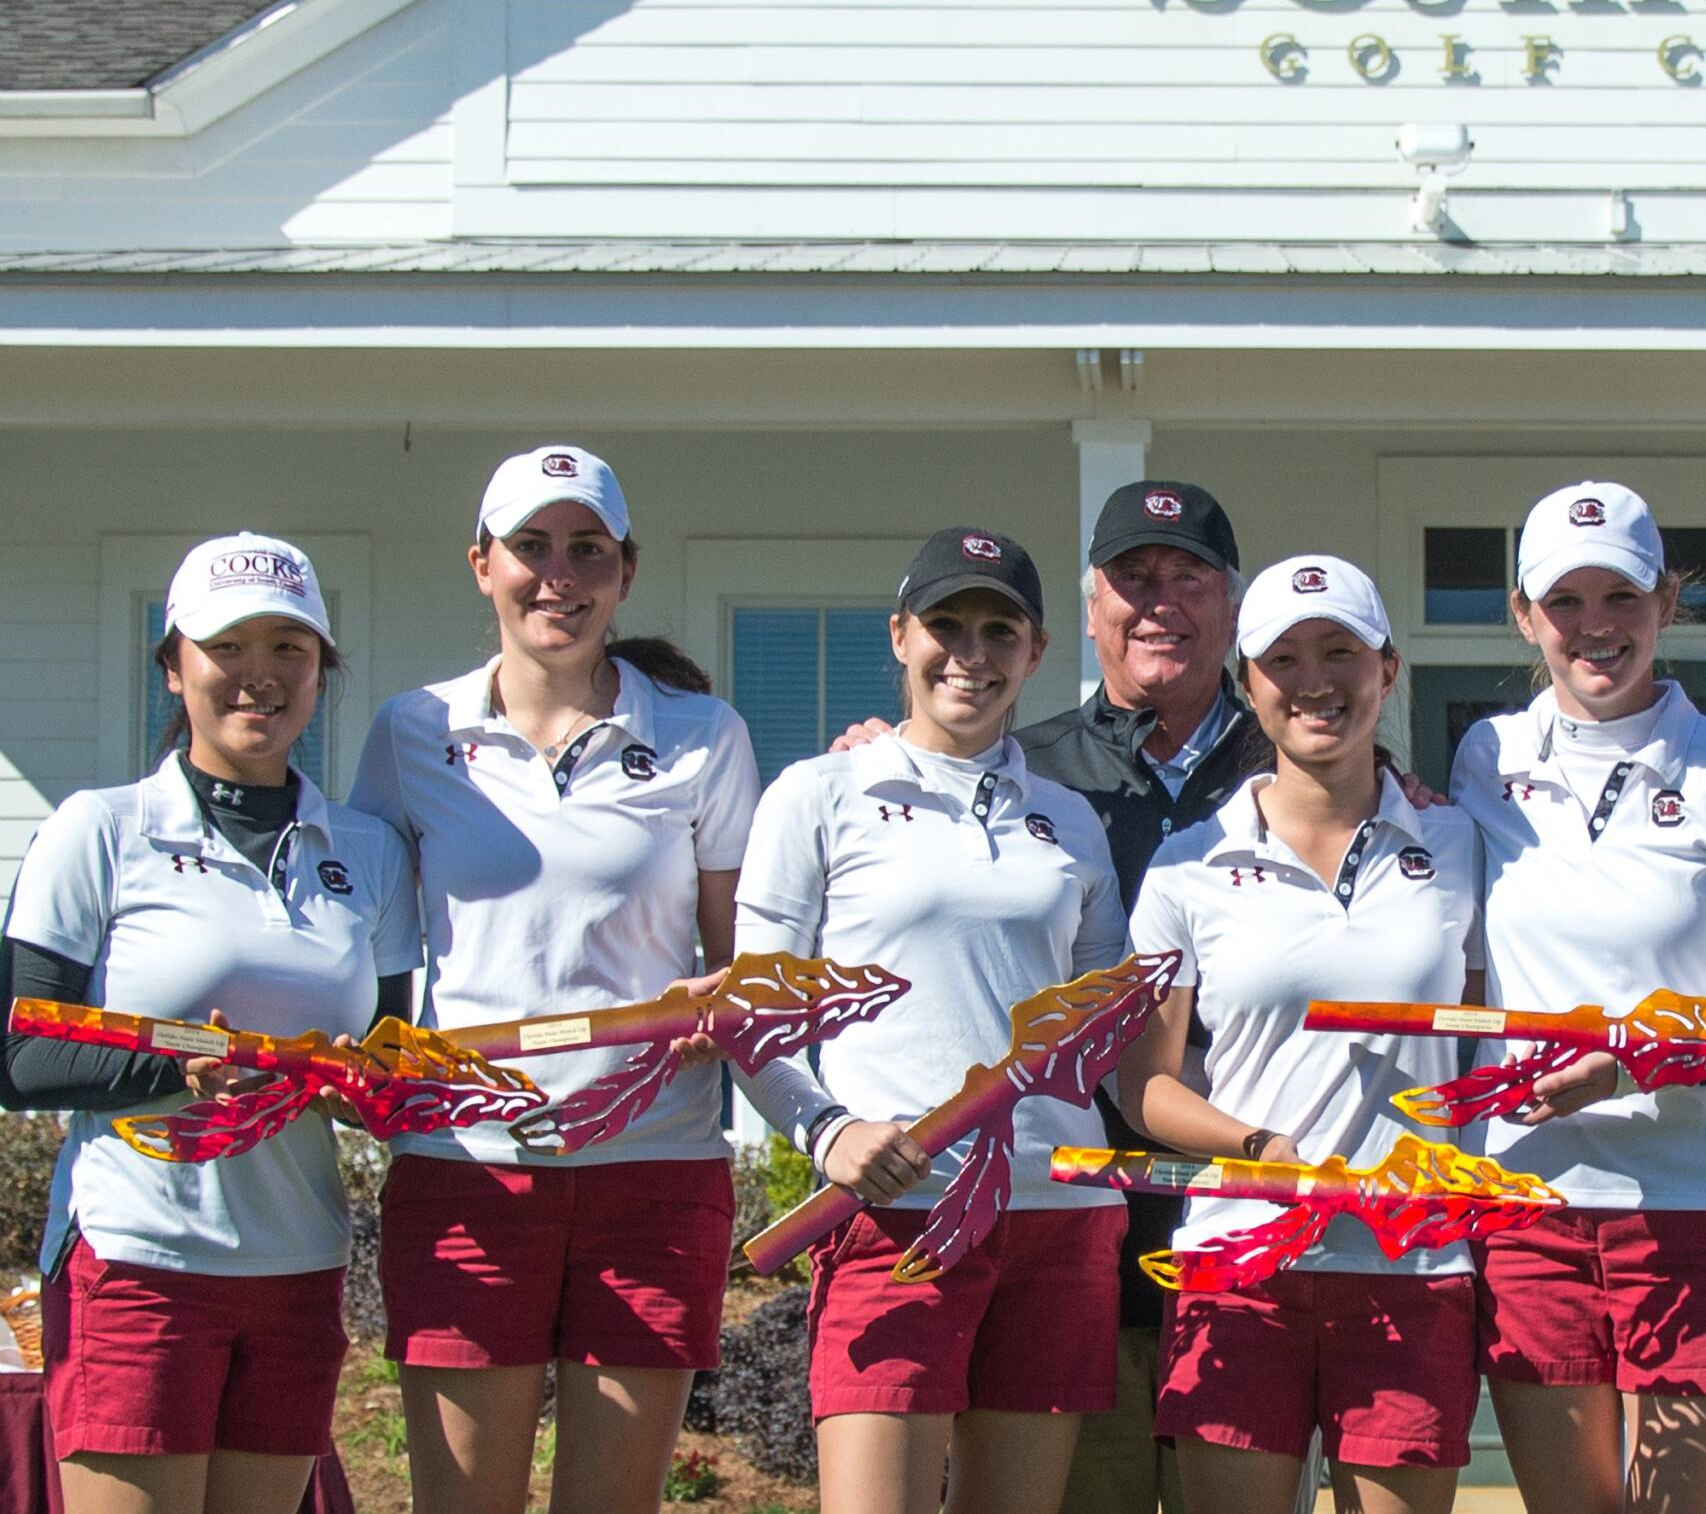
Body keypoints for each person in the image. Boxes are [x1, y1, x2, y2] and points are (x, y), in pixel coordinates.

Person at [351, 446, 761, 1514]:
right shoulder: (412, 732)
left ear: (624, 573)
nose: (557, 576)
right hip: (465, 1168)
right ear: (480, 564)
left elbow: (737, 964)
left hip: (653, 1167)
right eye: (530, 547)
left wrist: (725, 1010)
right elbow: (372, 952)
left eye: (587, 550)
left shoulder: (702, 737)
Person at [2, 534, 418, 1514]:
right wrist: (183, 1065)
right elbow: (17, 1055)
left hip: (300, 1263)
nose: (258, 677)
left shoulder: (369, 851)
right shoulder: (98, 831)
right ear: (173, 666)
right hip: (139, 1254)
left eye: (289, 648)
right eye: (227, 647)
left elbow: (389, 1065)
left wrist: (388, 1091)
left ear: (321, 672)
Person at [734, 527, 1129, 1514]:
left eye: (1001, 629)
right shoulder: (821, 793)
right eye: (945, 624)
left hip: (1055, 1211)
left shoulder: (1071, 822)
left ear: (1035, 653)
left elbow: (1109, 1032)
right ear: (901, 636)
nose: (972, 651)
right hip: (900, 1210)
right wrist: (826, 1131)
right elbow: (753, 1009)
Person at [1449, 481, 1706, 1514]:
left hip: (1695, 1204)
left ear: (1665, 602)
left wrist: (1627, 1060)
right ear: (1524, 616)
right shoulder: (1487, 757)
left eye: (1622, 594)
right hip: (1529, 1206)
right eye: (1566, 600)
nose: (1595, 626)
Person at [1117, 555, 1485, 1514]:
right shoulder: (1187, 865)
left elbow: (1488, 1046)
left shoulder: (1459, 844)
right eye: (1283, 658)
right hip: (1241, 1257)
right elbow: (1144, 1086)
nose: (1314, 679)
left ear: (1388, 670)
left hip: (1413, 1262)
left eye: (1341, 651)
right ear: (1248, 684)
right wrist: (1257, 1147)